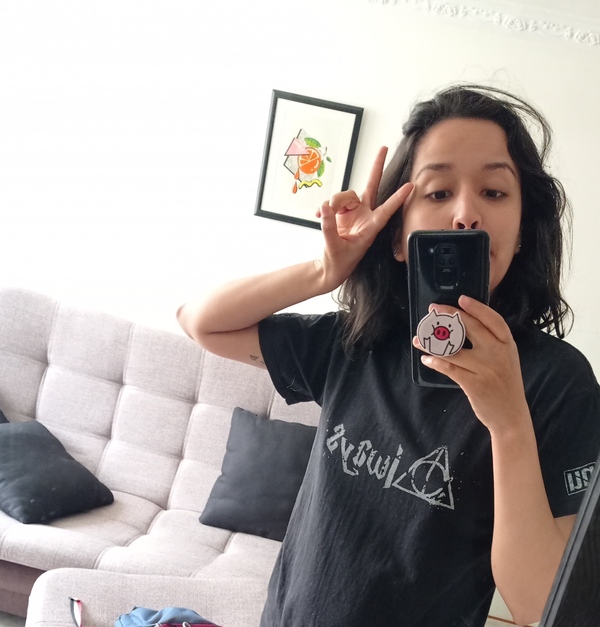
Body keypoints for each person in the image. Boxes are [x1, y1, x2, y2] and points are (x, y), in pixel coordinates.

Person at [177, 84, 600, 627]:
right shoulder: (356, 340)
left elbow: (541, 603)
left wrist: (509, 423)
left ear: (521, 234)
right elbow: (200, 321)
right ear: (399, 237)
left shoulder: (557, 381)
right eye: (438, 192)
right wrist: (324, 271)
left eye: (494, 192)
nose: (465, 214)